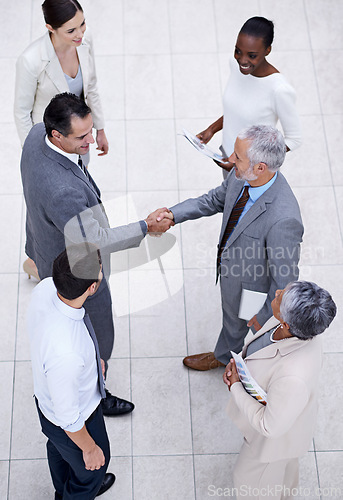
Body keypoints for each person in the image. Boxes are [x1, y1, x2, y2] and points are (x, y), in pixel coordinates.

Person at [21, 92, 174, 414]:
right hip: (74, 266)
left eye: (90, 130)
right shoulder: (63, 191)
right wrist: (146, 227)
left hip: (43, 242)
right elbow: (96, 240)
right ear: (56, 135)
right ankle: (98, 389)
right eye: (81, 136)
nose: (90, 140)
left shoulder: (36, 135)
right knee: (97, 332)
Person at [156, 125, 304, 370]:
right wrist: (173, 214)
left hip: (253, 291)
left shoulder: (284, 220)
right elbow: (214, 200)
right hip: (233, 277)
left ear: (260, 167)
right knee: (232, 321)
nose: (230, 159)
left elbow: (285, 281)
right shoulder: (241, 177)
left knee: (243, 326)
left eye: (238, 157)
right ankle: (226, 354)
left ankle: (237, 362)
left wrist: (263, 318)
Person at [223, 281, 336, 500]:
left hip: (273, 443)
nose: (276, 292)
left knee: (248, 483)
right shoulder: (300, 326)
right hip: (291, 423)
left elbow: (269, 425)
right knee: (284, 477)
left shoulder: (293, 377)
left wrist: (235, 385)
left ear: (286, 324)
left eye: (280, 296)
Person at [27, 245, 117, 499]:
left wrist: (90, 361)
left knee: (58, 450)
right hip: (73, 418)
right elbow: (68, 418)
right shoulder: (66, 354)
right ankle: (79, 488)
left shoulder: (46, 288)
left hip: (48, 402)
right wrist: (89, 450)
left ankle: (63, 488)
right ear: (92, 287)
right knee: (93, 467)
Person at [196, 16, 301, 174]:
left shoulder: (279, 90)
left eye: (252, 55)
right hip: (228, 156)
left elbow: (294, 139)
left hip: (253, 169)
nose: (242, 60)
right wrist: (212, 129)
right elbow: (238, 110)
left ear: (268, 50)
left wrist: (248, 160)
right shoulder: (235, 65)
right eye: (238, 51)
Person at [14, 0, 108, 154]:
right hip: (50, 142)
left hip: (79, 136)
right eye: (71, 31)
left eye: (82, 24)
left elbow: (91, 87)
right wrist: (33, 153)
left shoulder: (85, 38)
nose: (80, 34)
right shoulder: (30, 60)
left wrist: (100, 130)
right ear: (51, 28)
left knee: (81, 174)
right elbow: (22, 112)